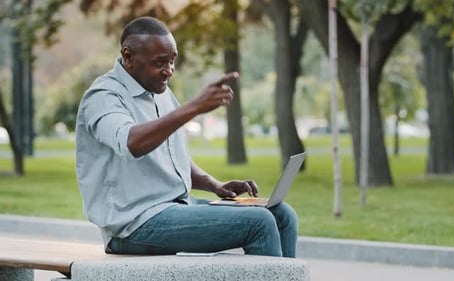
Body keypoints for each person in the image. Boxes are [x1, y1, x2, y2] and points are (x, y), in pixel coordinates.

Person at [75, 16, 298, 257]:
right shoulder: (103, 97)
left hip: (176, 206)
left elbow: (170, 156)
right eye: (160, 62)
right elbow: (132, 143)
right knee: (259, 222)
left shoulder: (159, 91)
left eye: (172, 62)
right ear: (128, 57)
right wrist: (194, 107)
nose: (168, 71)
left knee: (282, 214)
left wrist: (214, 185)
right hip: (133, 225)